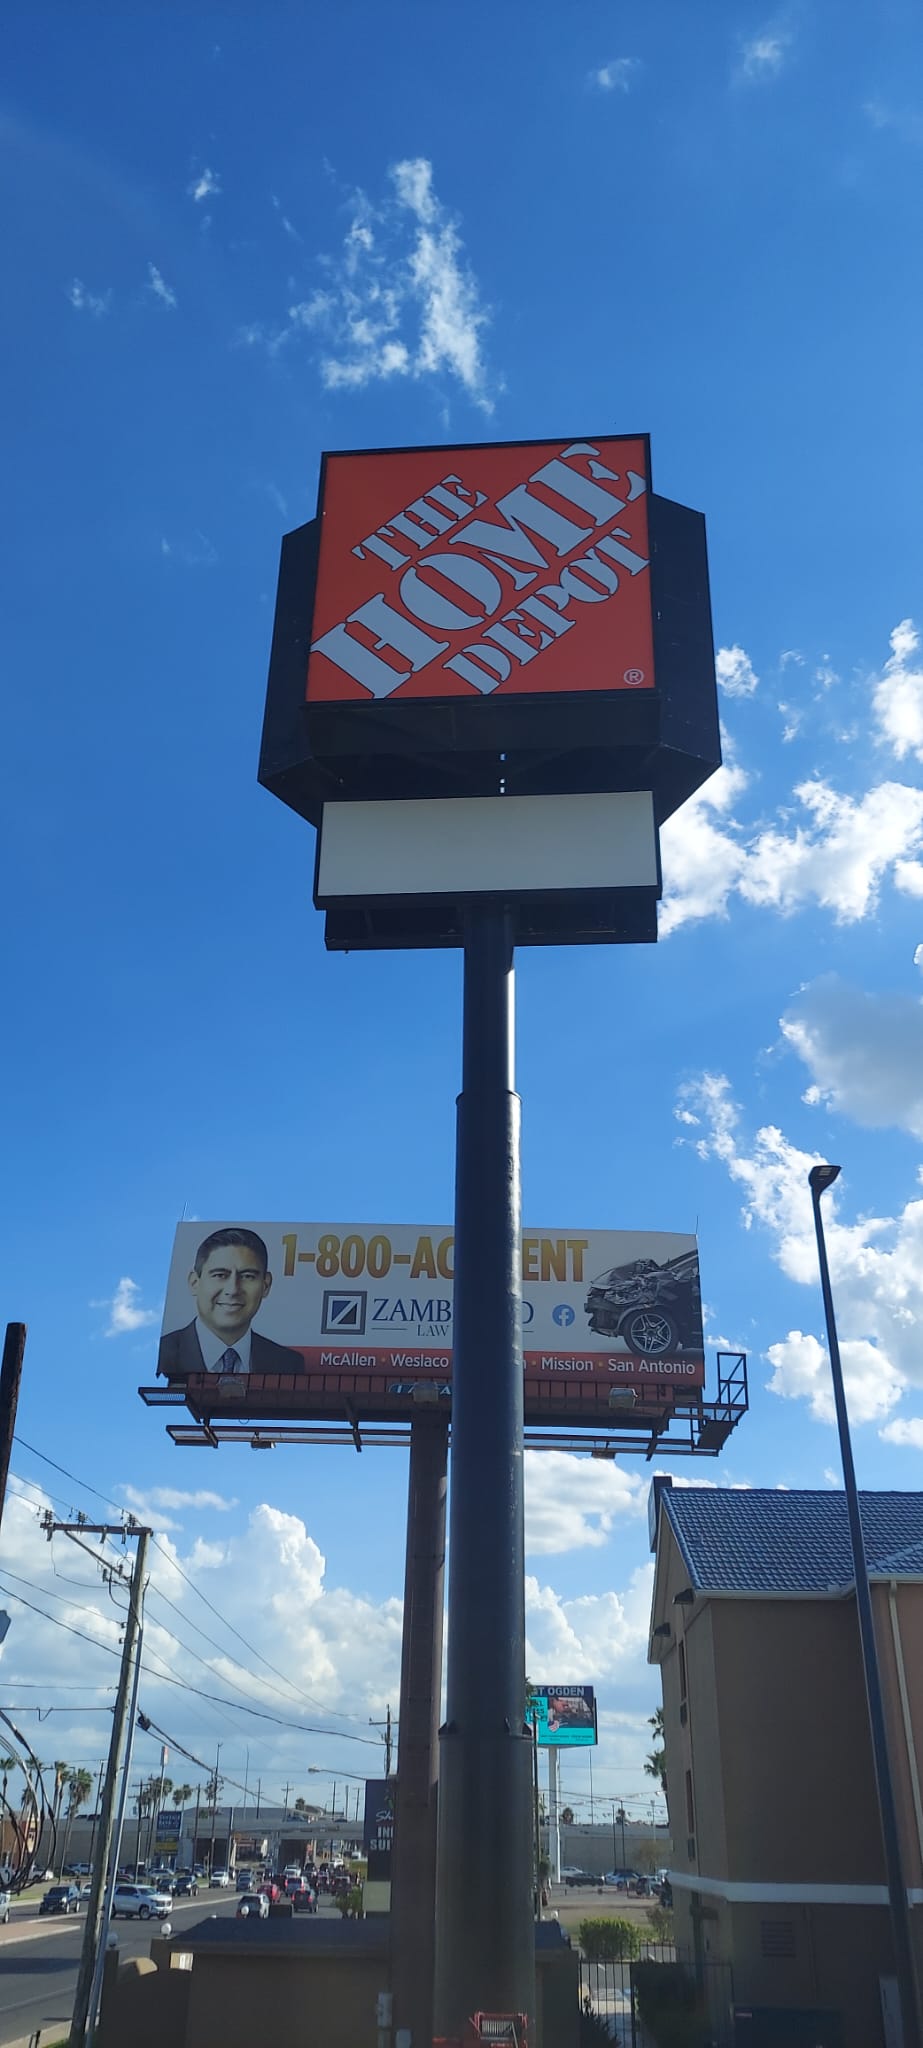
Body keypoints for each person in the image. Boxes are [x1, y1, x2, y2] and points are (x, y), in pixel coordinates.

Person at [158, 1227, 305, 1379]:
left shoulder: (288, 1363)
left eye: (247, 1276)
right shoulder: (168, 1352)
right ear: (194, 1282)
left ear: (265, 1285)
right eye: (220, 1275)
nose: (233, 1290)